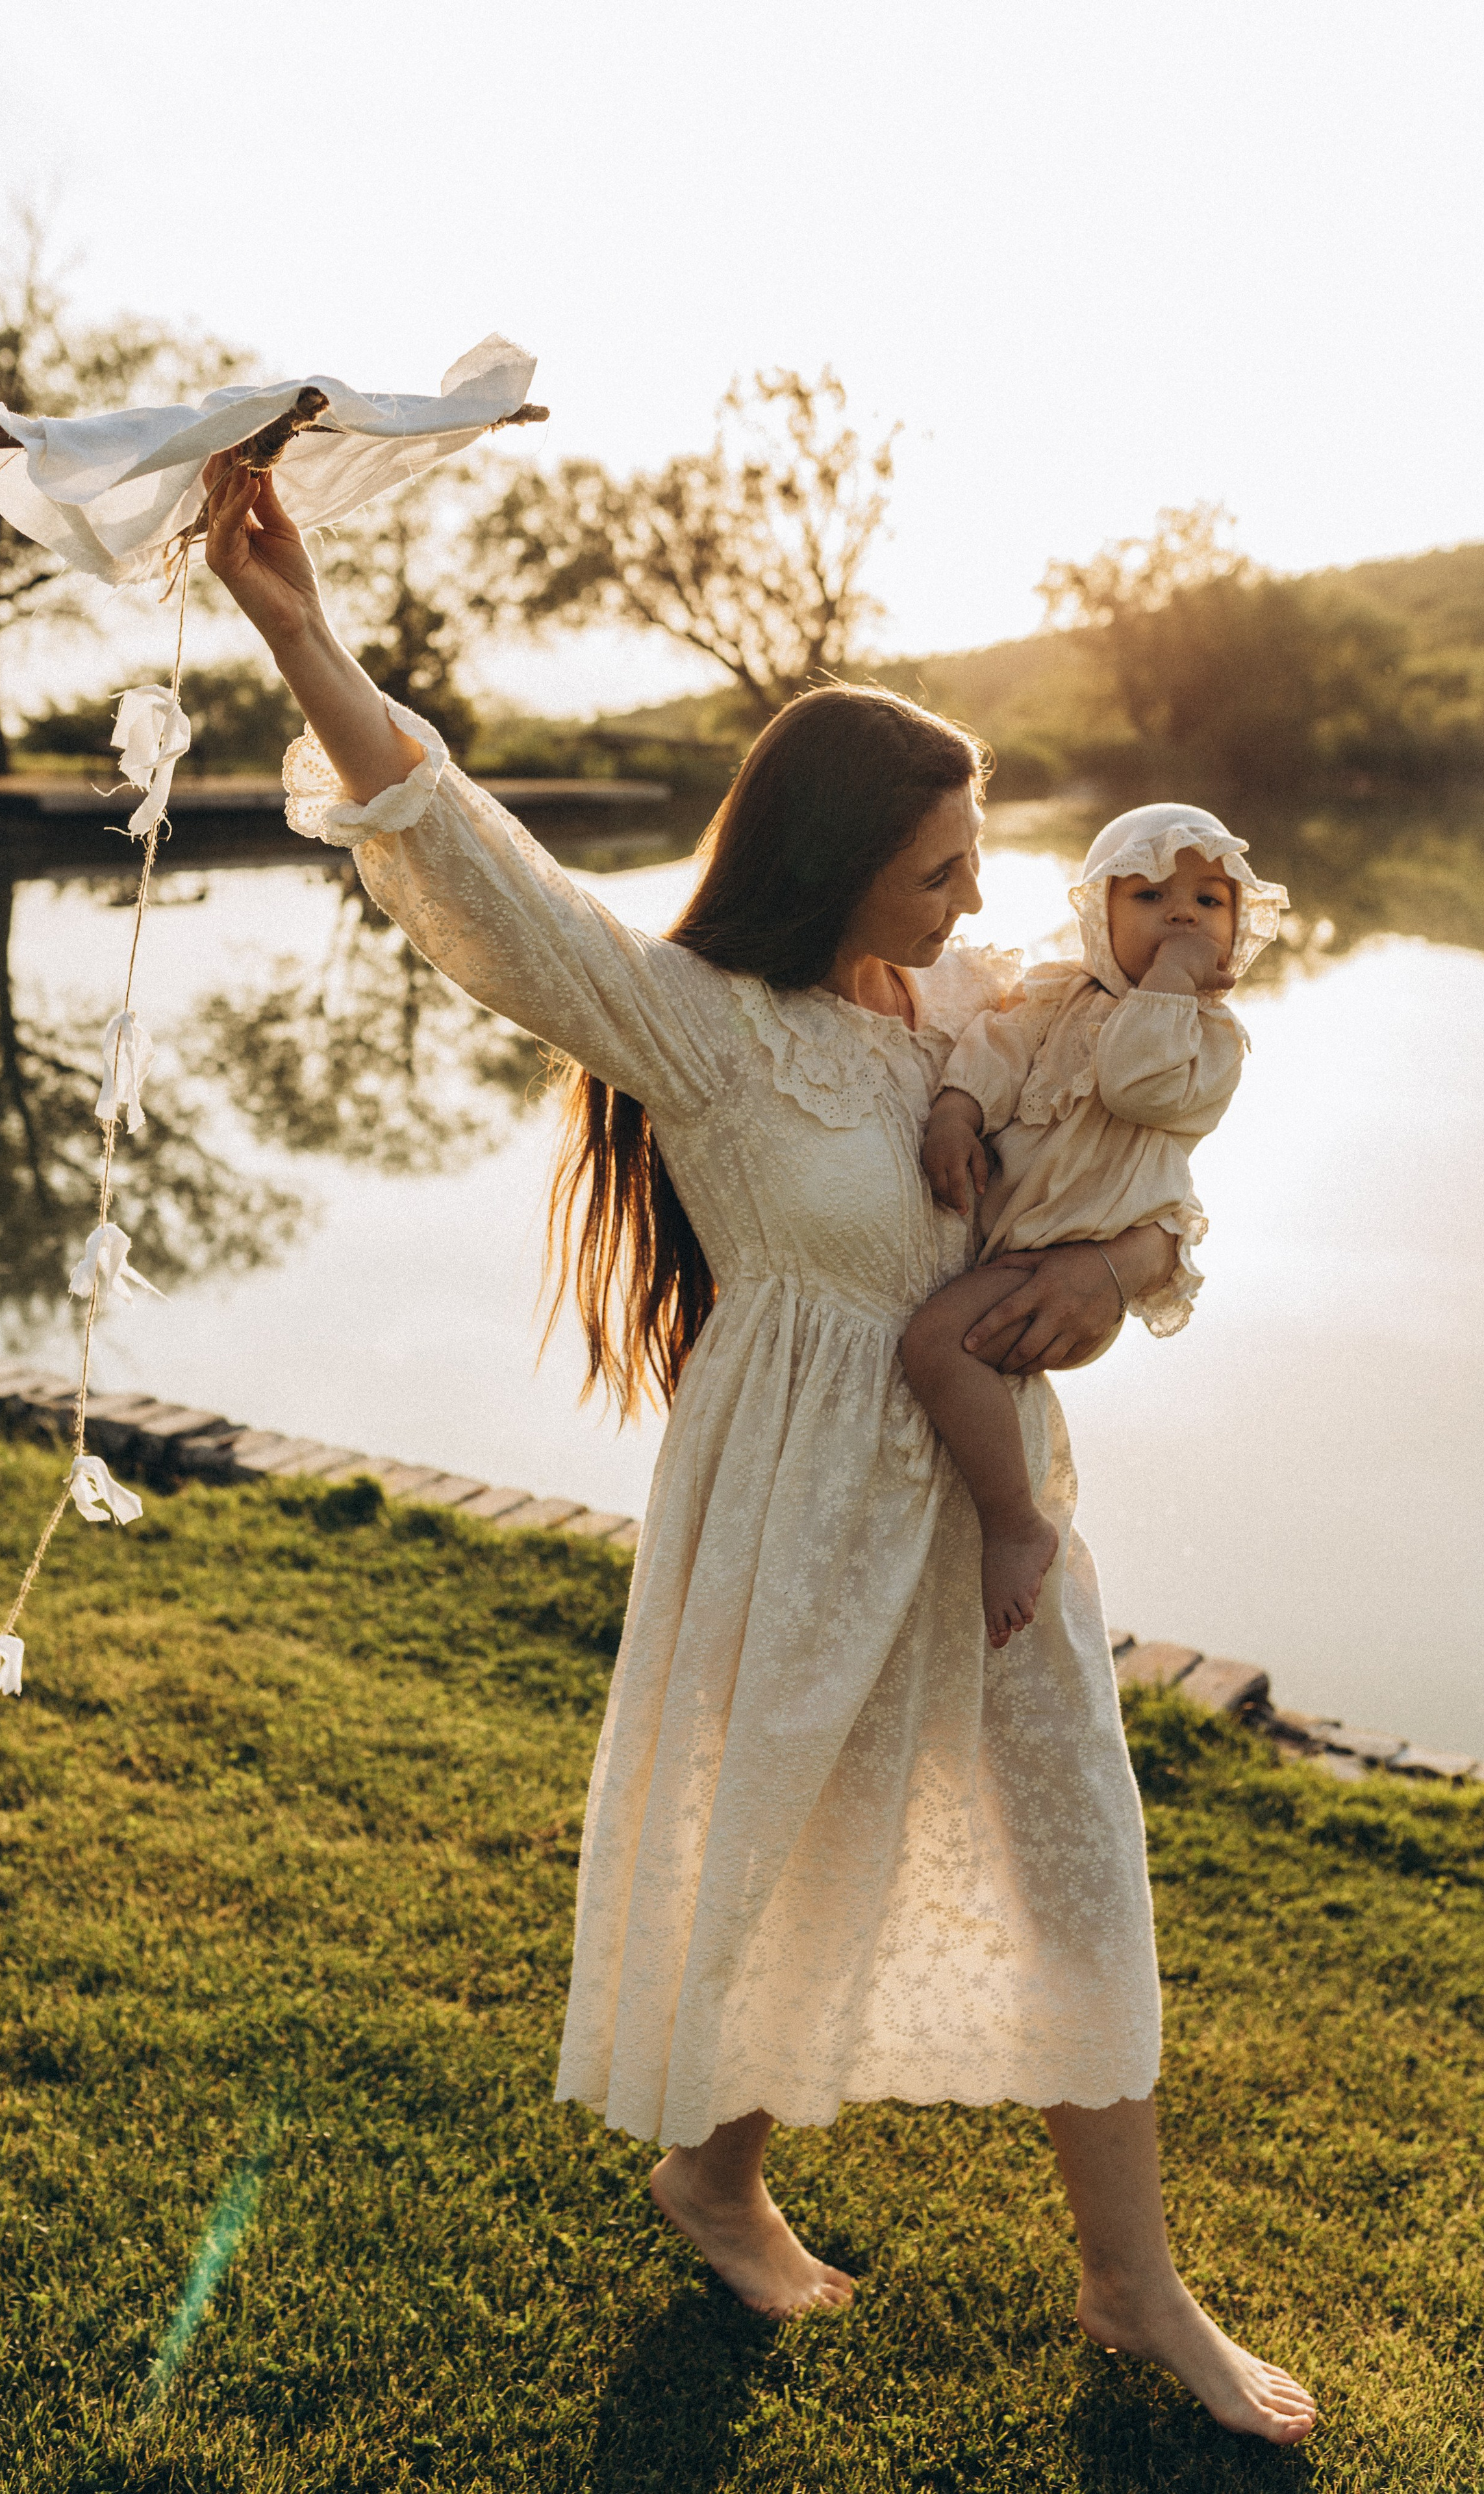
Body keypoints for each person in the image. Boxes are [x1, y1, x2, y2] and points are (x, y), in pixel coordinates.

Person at [201, 454, 1316, 2445]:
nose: (978, 897)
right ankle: (712, 2176)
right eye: (939, 868)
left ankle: (1134, 2285)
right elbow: (468, 858)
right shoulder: (698, 1022)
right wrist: (303, 630)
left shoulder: (966, 1000)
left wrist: (1145, 1249)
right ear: (831, 863)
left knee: (1077, 1852)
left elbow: (1138, 1147)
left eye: (978, 859)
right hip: (803, 1506)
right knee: (775, 1852)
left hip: (1000, 1520)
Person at [901, 808, 1288, 1650]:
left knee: (934, 1346)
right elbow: (991, 1050)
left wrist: (1170, 987)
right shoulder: (1052, 992)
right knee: (952, 1364)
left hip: (1075, 1265)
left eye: (1208, 903)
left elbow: (1136, 1084)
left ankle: (1014, 1524)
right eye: (1151, 894)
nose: (1183, 917)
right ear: (1099, 914)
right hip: (1025, 1250)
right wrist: (955, 1116)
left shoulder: (1212, 1039)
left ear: (1238, 927)